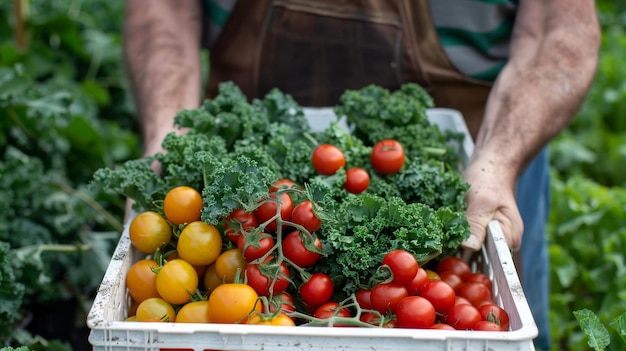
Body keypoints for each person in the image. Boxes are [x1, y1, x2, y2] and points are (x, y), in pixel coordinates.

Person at [122, 1, 600, 349]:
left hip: (484, 149)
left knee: (501, 319)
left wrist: (498, 165)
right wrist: (169, 140)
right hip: (255, 135)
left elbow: (556, 27)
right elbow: (162, 9)